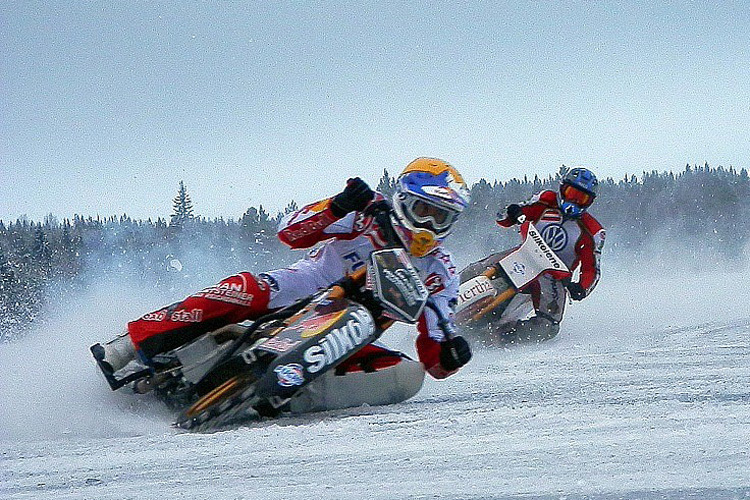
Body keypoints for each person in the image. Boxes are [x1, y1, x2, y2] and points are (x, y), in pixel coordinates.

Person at [92, 157, 473, 389]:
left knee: (403, 375)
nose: (430, 226)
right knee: (241, 290)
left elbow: (437, 340)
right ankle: (127, 346)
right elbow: (289, 232)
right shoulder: (368, 212)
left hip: (352, 331)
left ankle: (295, 398)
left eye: (442, 218)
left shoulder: (441, 271)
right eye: (425, 212)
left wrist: (450, 355)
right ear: (404, 201)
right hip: (304, 287)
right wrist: (337, 207)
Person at [493, 166, 605, 342]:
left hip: (554, 276)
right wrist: (512, 213)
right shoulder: (545, 200)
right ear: (562, 188)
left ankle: (505, 336)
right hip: (524, 255)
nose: (573, 201)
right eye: (571, 193)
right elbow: (512, 215)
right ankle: (448, 295)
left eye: (581, 198)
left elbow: (591, 267)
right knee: (481, 268)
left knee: (548, 326)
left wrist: (581, 288)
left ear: (589, 202)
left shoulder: (593, 231)